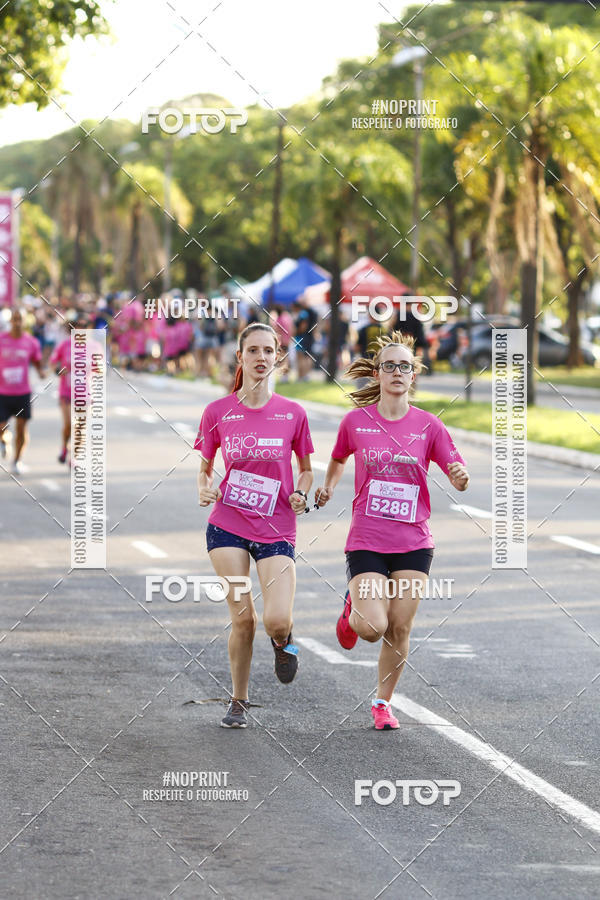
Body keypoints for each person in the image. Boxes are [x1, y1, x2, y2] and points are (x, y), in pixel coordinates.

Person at [315, 332, 469, 730]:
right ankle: (352, 616)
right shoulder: (356, 422)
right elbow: (336, 458)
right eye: (390, 366)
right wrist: (329, 485)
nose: (398, 372)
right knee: (373, 627)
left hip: (414, 542)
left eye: (405, 366)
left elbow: (457, 470)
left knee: (399, 626)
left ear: (413, 375)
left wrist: (459, 476)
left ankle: (382, 704)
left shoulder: (429, 426)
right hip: (367, 539)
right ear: (378, 374)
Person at [195, 322, 314, 729]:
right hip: (227, 523)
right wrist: (205, 487)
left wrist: (301, 493)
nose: (261, 358)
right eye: (254, 351)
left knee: (275, 620)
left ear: (278, 357)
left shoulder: (294, 414)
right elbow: (205, 468)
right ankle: (238, 700)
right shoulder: (217, 412)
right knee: (243, 617)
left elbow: (307, 471)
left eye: (269, 351)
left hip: (277, 526)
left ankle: (284, 641)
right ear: (240, 357)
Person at [0, 307, 44, 474]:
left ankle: (17, 460)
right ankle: (4, 441)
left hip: (22, 393)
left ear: (24, 322)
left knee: (21, 430)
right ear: (10, 321)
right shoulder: (1, 339)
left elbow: (37, 362)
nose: (17, 323)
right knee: (1, 428)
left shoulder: (31, 342)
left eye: (20, 319)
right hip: (2, 392)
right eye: (15, 319)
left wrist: (41, 372)